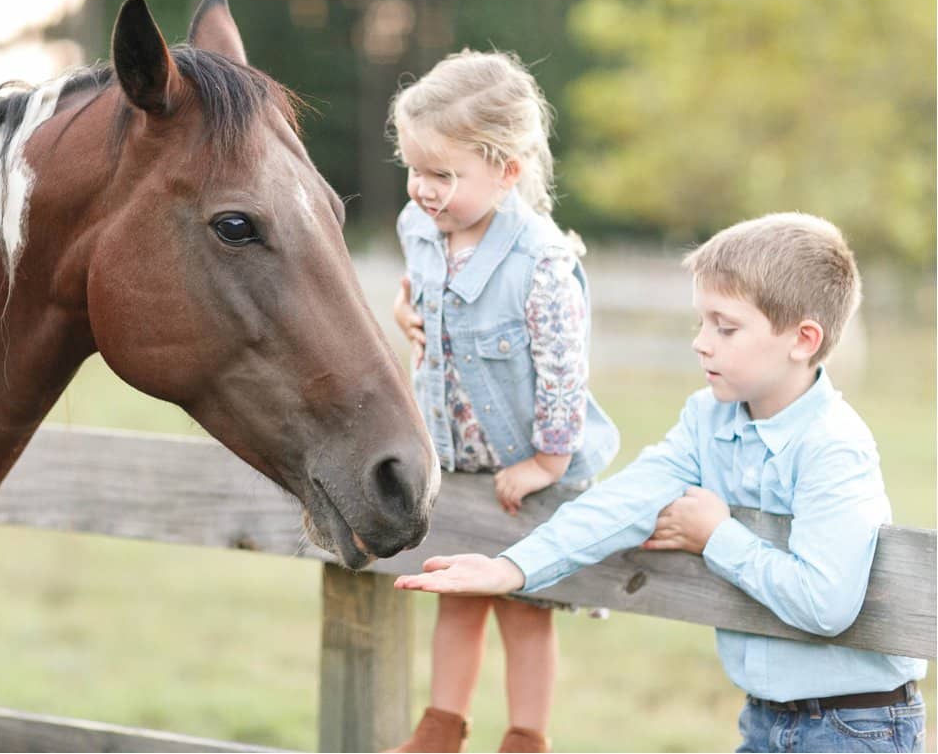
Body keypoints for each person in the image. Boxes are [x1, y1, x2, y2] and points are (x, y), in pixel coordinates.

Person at [395, 213, 928, 753]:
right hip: (765, 718)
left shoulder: (832, 445)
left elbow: (826, 603)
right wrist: (511, 567)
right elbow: (620, 503)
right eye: (701, 322)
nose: (701, 343)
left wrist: (716, 535)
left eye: (725, 327)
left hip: (856, 726)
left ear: (802, 339)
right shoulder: (709, 420)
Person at [385, 49, 620, 754]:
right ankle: (442, 725)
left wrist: (547, 461)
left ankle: (526, 737)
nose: (423, 189)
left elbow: (562, 371)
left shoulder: (541, 263)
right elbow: (422, 298)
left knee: (526, 611)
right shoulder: (420, 226)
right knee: (453, 598)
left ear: (508, 170)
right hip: (455, 465)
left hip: (523, 473)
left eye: (443, 175)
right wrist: (406, 312)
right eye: (415, 169)